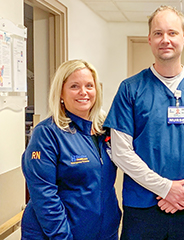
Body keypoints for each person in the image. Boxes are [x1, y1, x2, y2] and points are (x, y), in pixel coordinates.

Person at [104, 5, 184, 240]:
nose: (165, 39)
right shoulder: (130, 89)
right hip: (142, 206)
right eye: (158, 33)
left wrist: (183, 192)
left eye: (172, 33)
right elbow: (121, 152)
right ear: (149, 39)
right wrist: (165, 188)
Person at [21, 59, 121, 240]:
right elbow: (44, 197)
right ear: (61, 92)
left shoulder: (105, 130)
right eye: (74, 86)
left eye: (89, 86)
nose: (83, 92)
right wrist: (62, 237)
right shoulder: (47, 134)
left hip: (104, 232)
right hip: (59, 235)